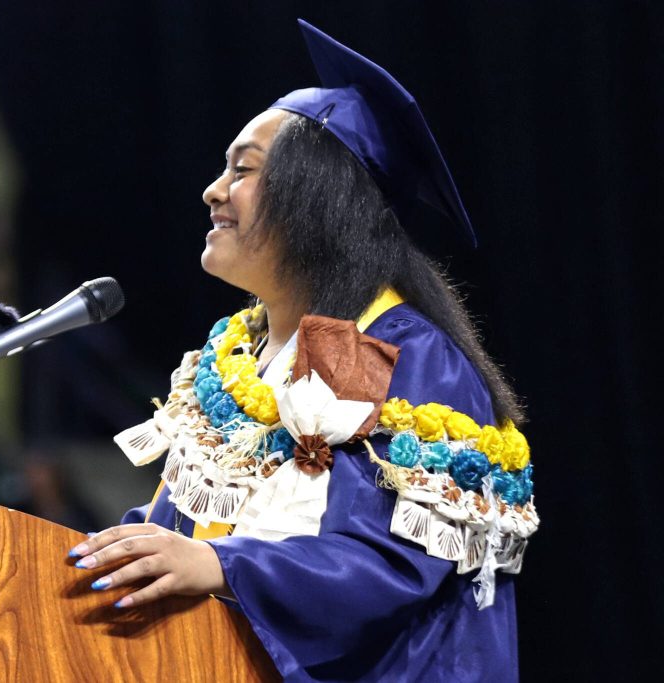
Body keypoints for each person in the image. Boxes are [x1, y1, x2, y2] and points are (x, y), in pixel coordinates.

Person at [67, 20, 538, 682]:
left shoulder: (380, 348)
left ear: (314, 198)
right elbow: (174, 525)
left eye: (244, 168)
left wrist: (220, 566)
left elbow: (384, 562)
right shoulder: (242, 352)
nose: (213, 190)